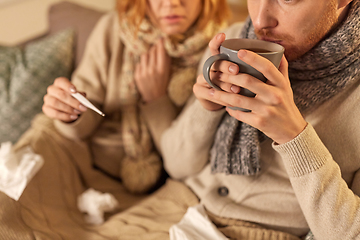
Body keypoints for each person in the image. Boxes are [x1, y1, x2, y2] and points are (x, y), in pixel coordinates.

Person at [52, 0, 358, 239]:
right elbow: (178, 166)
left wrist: (294, 136)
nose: (261, 20)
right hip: (168, 208)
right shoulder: (234, 41)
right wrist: (206, 109)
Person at [0, 0, 229, 239]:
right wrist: (70, 111)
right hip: (81, 162)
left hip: (162, 188)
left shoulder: (216, 52)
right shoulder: (115, 29)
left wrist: (156, 100)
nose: (171, 3)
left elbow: (184, 162)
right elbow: (81, 122)